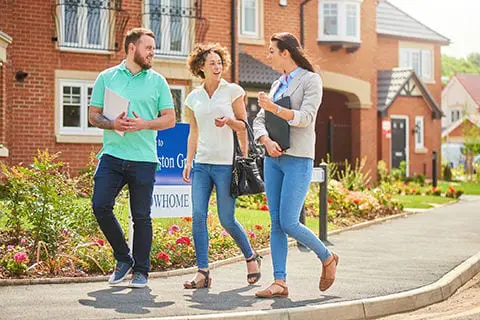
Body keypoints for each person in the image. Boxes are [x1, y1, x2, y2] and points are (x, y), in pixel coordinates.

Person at [253, 32, 339, 298]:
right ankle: (280, 282)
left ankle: (327, 257)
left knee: (290, 221)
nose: (269, 55)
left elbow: (305, 118)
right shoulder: (278, 84)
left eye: (272, 51)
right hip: (273, 159)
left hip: (298, 158)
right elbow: (258, 120)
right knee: (276, 223)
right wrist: (265, 140)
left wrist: (274, 108)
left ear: (285, 53)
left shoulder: (311, 80)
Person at [88, 27, 175, 288]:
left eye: (153, 48)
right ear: (131, 48)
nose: (152, 53)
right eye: (148, 48)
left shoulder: (158, 81)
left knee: (141, 216)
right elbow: (93, 115)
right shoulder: (107, 77)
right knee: (100, 205)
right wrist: (112, 123)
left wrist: (144, 124)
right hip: (113, 155)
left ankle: (142, 271)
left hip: (144, 158)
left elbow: (170, 119)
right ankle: (123, 259)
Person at [182, 43, 262, 289]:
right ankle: (203, 272)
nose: (217, 67)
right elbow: (193, 132)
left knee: (227, 219)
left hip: (226, 165)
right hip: (202, 165)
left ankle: (251, 257)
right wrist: (188, 160)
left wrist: (228, 121)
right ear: (200, 67)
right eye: (211, 63)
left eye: (219, 62)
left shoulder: (233, 91)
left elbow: (243, 127)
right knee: (197, 217)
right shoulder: (192, 98)